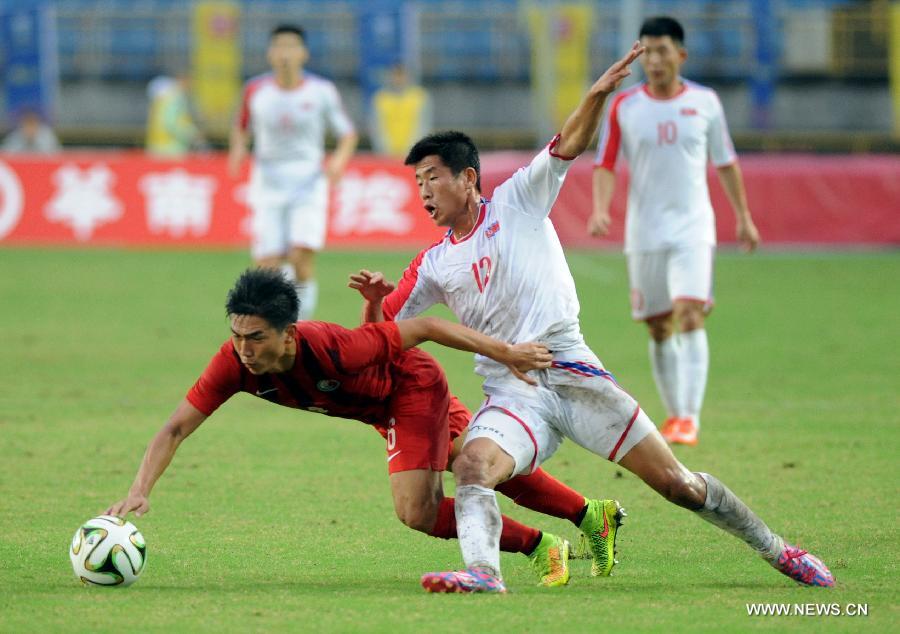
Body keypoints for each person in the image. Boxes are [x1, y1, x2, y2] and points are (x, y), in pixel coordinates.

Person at [352, 42, 833, 593]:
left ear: (467, 177)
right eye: (417, 183)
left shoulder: (518, 200)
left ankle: (779, 550)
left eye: (432, 178)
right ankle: (483, 574)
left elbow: (568, 144)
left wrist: (598, 94)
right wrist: (374, 300)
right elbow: (379, 336)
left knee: (677, 485)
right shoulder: (433, 264)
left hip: (572, 370)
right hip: (513, 391)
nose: (423, 192)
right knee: (472, 468)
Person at [106, 268, 621, 588]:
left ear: (288, 335)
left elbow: (425, 327)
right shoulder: (234, 364)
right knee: (477, 465)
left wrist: (506, 353)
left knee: (416, 510)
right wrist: (139, 489)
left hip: (412, 389)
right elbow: (174, 429)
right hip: (381, 409)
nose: (244, 348)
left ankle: (538, 547)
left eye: (256, 337)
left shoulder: (330, 347)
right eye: (237, 335)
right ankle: (587, 516)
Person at [588, 16, 760, 446]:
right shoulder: (625, 106)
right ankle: (675, 414)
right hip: (645, 231)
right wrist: (600, 209)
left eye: (662, 51)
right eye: (647, 52)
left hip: (693, 227)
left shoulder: (705, 102)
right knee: (659, 326)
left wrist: (743, 216)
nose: (655, 60)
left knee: (690, 313)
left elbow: (726, 162)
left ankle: (688, 418)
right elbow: (605, 162)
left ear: (680, 55)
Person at [228, 24, 358, 321]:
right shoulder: (255, 90)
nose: (285, 53)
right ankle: (279, 318)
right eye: (279, 47)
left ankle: (298, 325)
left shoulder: (321, 91)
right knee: (267, 266)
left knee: (301, 257)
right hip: (268, 182)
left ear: (304, 53)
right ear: (270, 54)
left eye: (291, 47)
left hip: (308, 181)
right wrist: (238, 148)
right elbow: (241, 126)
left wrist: (338, 161)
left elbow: (347, 133)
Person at [370, 64, 432, 159]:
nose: (398, 79)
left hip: (413, 152)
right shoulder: (381, 98)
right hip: (386, 153)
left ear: (408, 76)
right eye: (395, 75)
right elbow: (376, 126)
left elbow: (423, 125)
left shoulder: (420, 97)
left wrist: (413, 148)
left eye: (401, 75)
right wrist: (384, 147)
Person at [145, 73, 206, 158]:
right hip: (172, 149)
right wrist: (193, 135)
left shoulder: (161, 101)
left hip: (157, 147)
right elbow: (172, 123)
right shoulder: (175, 98)